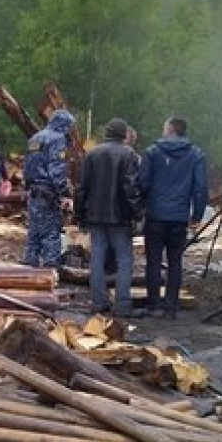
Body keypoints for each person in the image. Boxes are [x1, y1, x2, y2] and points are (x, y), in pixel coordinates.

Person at [135, 117, 208, 319]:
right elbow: (200, 188)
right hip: (179, 217)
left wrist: (144, 205)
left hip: (155, 215)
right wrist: (197, 215)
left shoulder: (152, 152)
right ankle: (171, 307)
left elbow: (143, 182)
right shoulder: (196, 155)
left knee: (153, 261)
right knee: (175, 261)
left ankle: (153, 305)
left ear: (170, 130)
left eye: (164, 128)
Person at [77, 118, 141, 316]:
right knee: (124, 259)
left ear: (107, 132)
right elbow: (131, 188)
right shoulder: (129, 154)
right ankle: (122, 303)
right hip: (120, 216)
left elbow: (82, 187)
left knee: (97, 258)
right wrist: (137, 213)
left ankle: (98, 301)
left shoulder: (91, 154)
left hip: (95, 216)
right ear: (123, 135)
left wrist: (80, 215)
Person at [21, 109, 75, 268]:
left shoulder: (35, 138)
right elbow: (56, 168)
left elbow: (27, 165)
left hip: (33, 191)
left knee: (34, 231)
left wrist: (28, 185)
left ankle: (30, 266)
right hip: (48, 191)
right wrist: (64, 192)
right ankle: (51, 270)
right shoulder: (58, 139)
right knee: (51, 232)